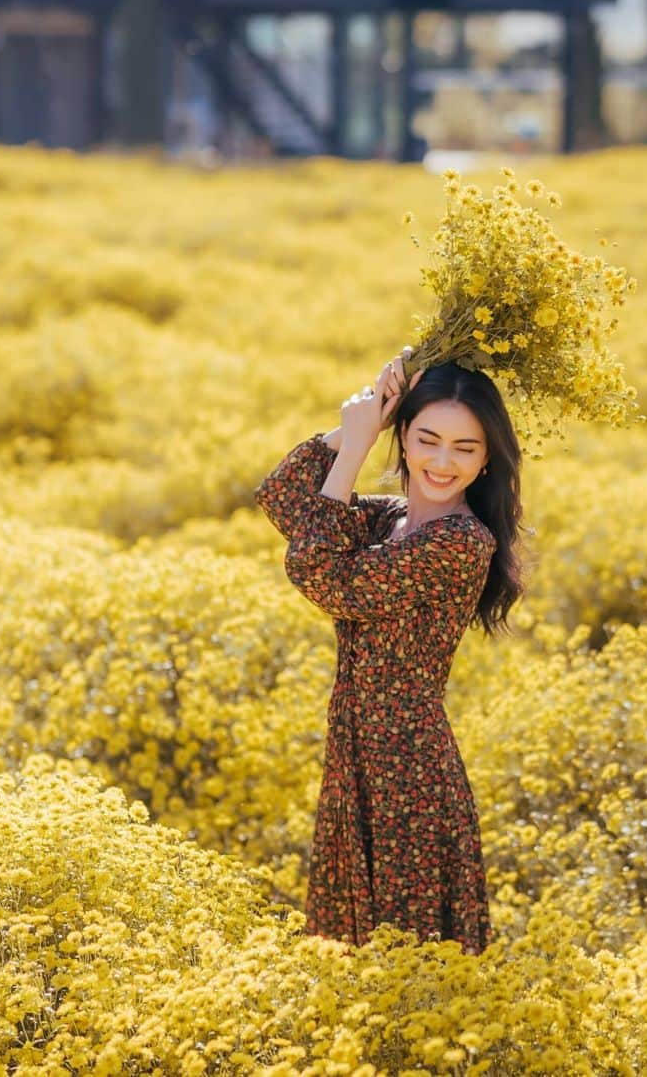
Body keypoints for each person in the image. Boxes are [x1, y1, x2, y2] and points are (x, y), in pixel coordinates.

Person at [254, 345, 525, 955]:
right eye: (426, 439)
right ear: (402, 438)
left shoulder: (460, 543)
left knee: (410, 959)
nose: (442, 461)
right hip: (357, 751)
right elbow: (282, 496)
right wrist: (366, 417)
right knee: (355, 954)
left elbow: (322, 575)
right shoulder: (389, 521)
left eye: (465, 448)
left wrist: (355, 452)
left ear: (488, 460)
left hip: (408, 770)